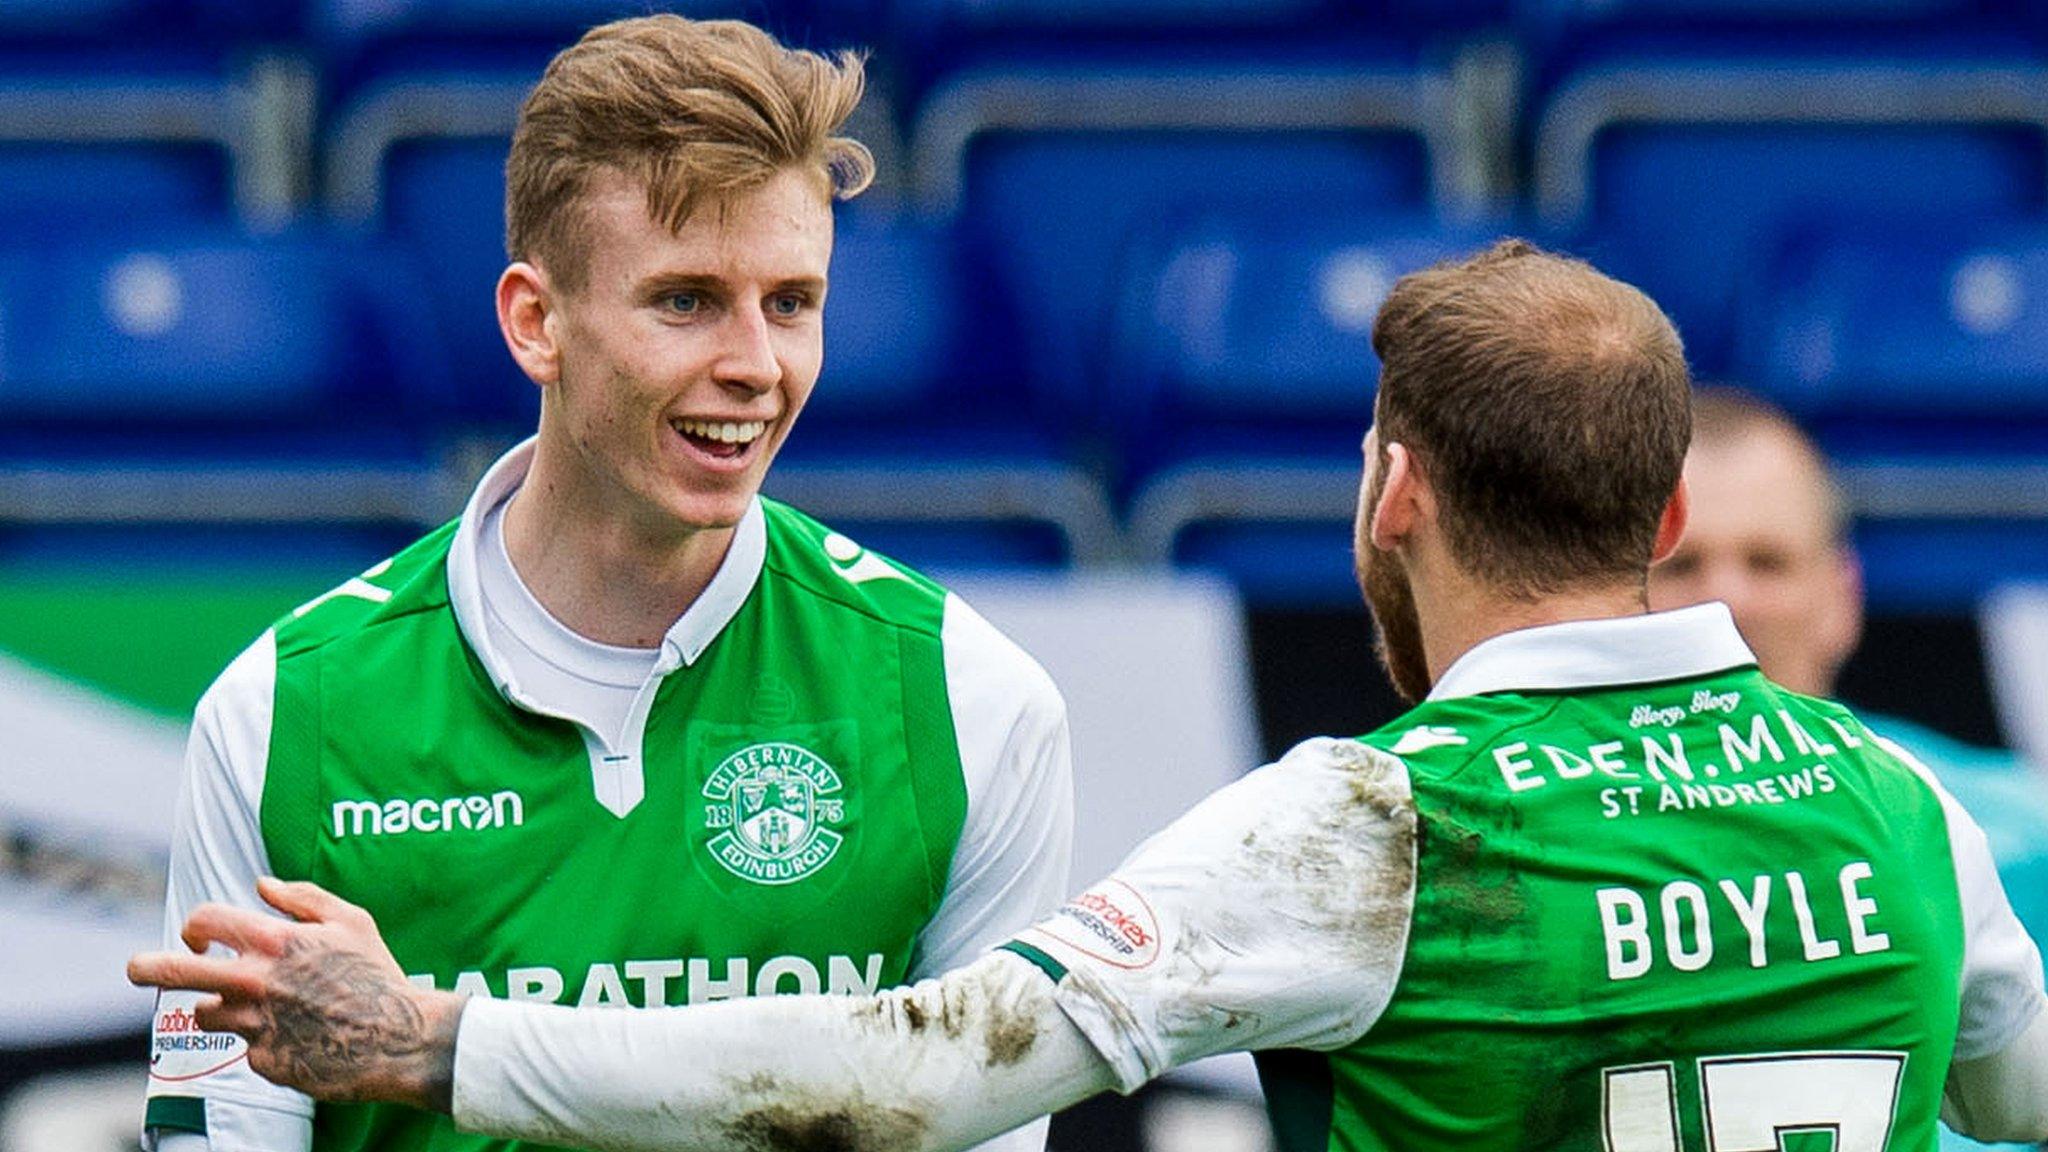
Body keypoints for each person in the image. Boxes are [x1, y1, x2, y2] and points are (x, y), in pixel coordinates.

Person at [132, 241, 2048, 1149]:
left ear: (1391, 491)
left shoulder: (1380, 823)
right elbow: (2013, 1087)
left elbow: (912, 1070)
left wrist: (441, 1043)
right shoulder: (1900, 809)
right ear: (1659, 513)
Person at [139, 16, 1073, 1152]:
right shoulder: (284, 714)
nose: (753, 366)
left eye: (790, 302)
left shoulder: (968, 702)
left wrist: (441, 1046)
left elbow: (973, 1126)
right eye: (684, 300)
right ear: (537, 322)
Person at [1647, 386, 2048, 1152]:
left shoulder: (2021, 831)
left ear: (1842, 597)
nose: (1726, 598)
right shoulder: (1537, 826)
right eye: (1682, 563)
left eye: (1767, 562)